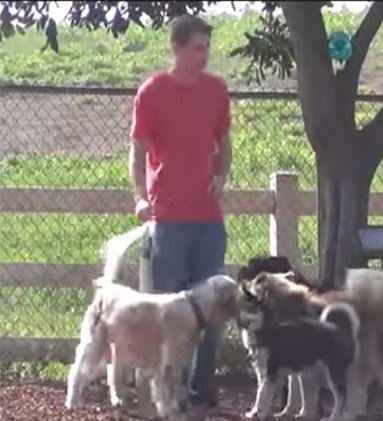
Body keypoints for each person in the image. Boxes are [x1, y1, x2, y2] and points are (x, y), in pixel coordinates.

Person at [128, 13, 232, 418]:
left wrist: (222, 176)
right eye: (198, 48)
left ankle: (202, 388)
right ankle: (166, 393)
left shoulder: (216, 91)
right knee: (167, 311)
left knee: (212, 309)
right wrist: (140, 198)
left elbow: (223, 141)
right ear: (177, 48)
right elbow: (137, 152)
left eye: (207, 47)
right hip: (168, 219)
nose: (205, 55)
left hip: (208, 219)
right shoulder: (152, 92)